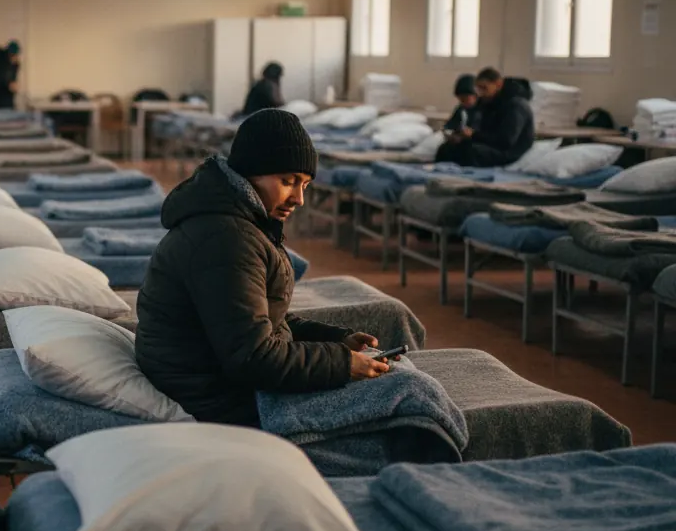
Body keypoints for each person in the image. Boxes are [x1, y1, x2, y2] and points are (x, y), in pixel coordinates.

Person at [136, 109, 395, 426]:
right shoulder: (227, 239)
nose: (298, 198)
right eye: (288, 182)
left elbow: (261, 321)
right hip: (219, 400)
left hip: (213, 381)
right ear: (250, 174)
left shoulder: (233, 223)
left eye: (305, 185)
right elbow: (252, 358)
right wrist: (341, 363)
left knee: (397, 382)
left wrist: (337, 341)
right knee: (406, 392)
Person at [435, 67, 534, 167]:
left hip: (507, 152)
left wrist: (473, 135)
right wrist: (461, 136)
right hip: (488, 145)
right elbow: (482, 131)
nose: (480, 93)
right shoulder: (489, 101)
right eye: (478, 88)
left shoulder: (516, 105)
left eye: (484, 88)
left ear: (498, 84)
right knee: (447, 149)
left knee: (470, 153)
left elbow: (505, 141)